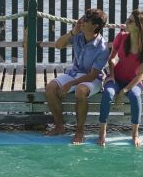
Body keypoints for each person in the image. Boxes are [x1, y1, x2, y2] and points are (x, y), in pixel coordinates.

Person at [45, 8, 110, 144]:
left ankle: (79, 131)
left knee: (80, 90)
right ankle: (59, 126)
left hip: (93, 79)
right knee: (51, 87)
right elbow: (58, 45)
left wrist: (71, 84)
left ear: (95, 26)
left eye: (86, 20)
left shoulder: (102, 48)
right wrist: (72, 32)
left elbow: (92, 75)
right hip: (74, 73)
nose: (82, 21)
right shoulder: (78, 36)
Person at [98, 9, 143, 148]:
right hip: (116, 78)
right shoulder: (122, 37)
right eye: (127, 19)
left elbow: (140, 74)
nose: (126, 23)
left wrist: (124, 91)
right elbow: (111, 59)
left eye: (130, 21)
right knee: (108, 93)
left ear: (139, 26)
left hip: (133, 82)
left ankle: (135, 134)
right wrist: (111, 76)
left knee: (135, 96)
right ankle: (102, 132)